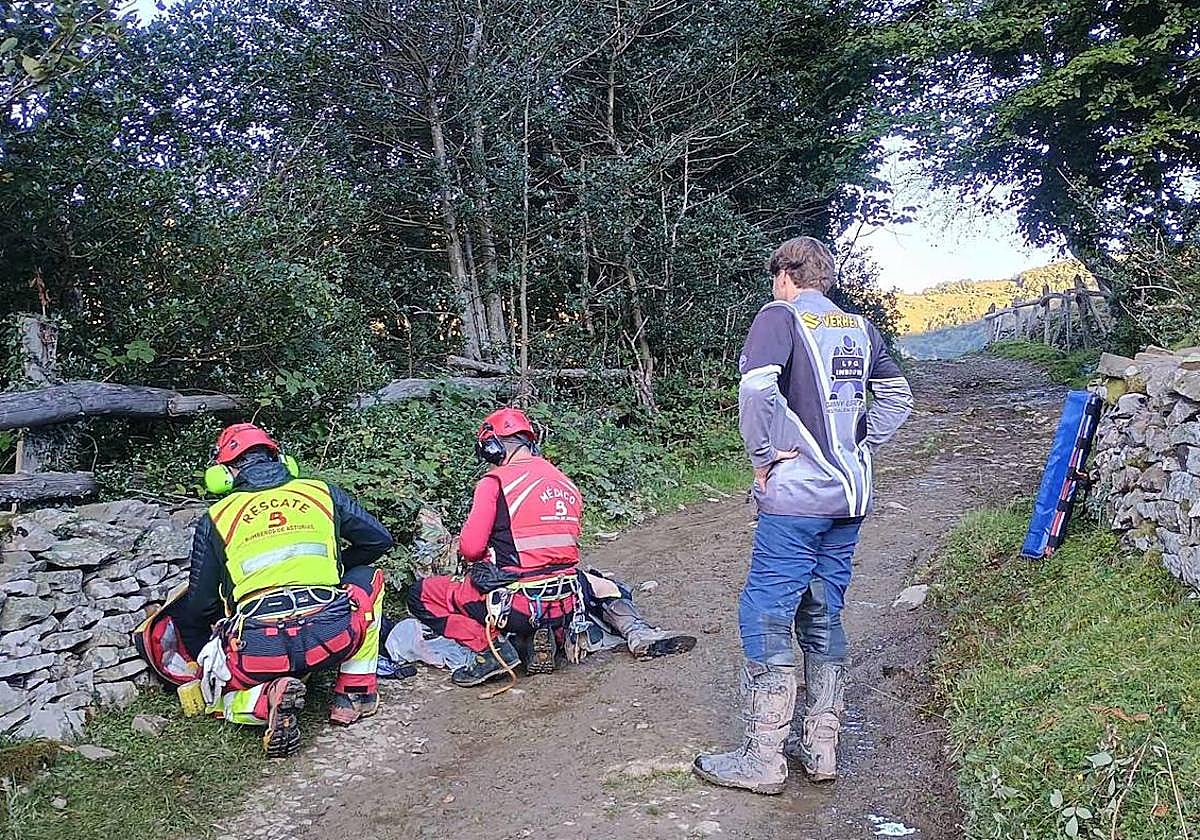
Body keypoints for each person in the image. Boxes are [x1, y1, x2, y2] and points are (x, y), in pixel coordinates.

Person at [693, 237, 913, 794]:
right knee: (823, 609)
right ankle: (821, 747)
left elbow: (755, 389)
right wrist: (857, 447)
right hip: (851, 496)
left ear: (785, 275)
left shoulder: (780, 316)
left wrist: (764, 457)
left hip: (798, 497)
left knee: (766, 611)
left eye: (776, 278)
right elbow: (898, 398)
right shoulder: (859, 328)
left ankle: (763, 757)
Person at [175, 423, 394, 757]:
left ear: (223, 473)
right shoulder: (320, 493)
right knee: (368, 579)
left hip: (259, 651)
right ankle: (354, 693)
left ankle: (265, 698)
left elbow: (201, 605)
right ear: (281, 460)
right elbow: (379, 540)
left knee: (218, 698)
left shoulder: (217, 516)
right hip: (330, 636)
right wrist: (335, 569)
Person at [407, 407, 586, 687]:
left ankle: (490, 652)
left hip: (518, 602)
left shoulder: (495, 482)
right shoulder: (566, 483)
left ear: (493, 446)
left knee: (422, 594)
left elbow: (470, 548)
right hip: (566, 602)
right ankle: (542, 635)